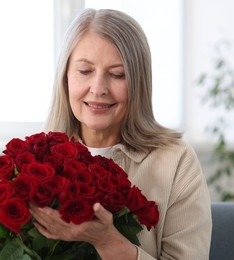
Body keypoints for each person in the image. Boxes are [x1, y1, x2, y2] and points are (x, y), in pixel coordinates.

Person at [30, 8, 212, 260]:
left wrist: (111, 243)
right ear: (65, 78)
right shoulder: (36, 158)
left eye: (117, 75)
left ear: (138, 84)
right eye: (85, 71)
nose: (98, 89)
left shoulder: (177, 161)